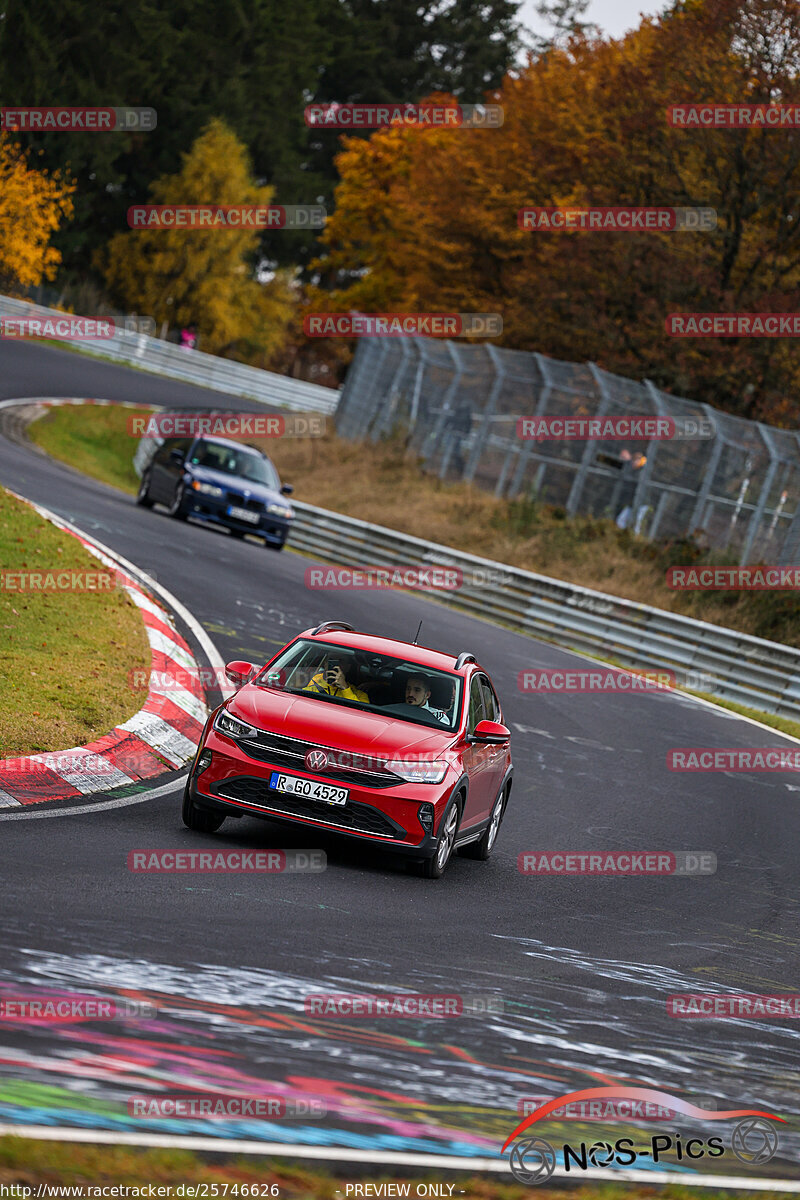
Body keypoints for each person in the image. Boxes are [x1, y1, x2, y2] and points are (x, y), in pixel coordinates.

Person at [304, 656, 368, 702]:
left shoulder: (360, 695)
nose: (335, 666)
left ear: (348, 667)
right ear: (325, 664)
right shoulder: (315, 683)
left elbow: (360, 716)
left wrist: (345, 689)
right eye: (331, 661)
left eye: (341, 662)